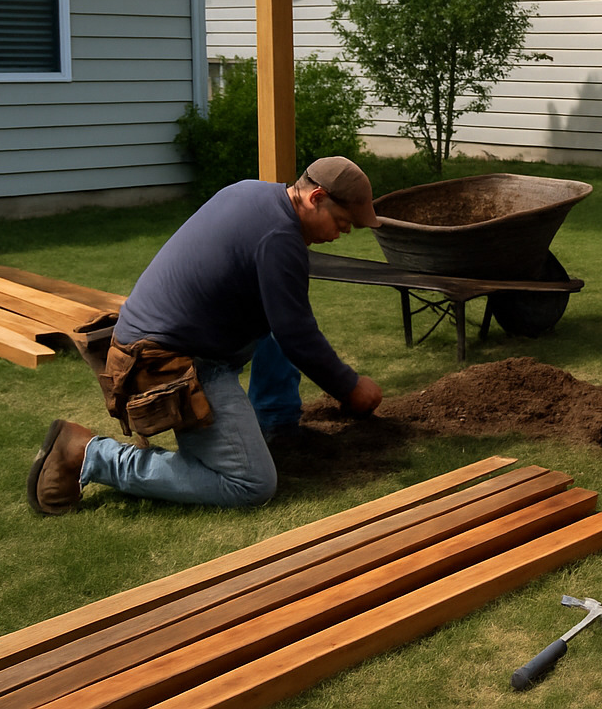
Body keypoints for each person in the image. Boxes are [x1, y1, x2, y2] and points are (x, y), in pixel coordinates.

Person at [26, 156, 385, 514]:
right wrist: (350, 388)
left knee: (278, 312)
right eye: (342, 223)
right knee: (250, 483)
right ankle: (88, 454)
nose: (342, 234)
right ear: (316, 197)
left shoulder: (253, 194)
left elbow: (287, 320)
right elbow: (297, 336)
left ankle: (275, 423)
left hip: (167, 340)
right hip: (169, 362)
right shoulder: (279, 237)